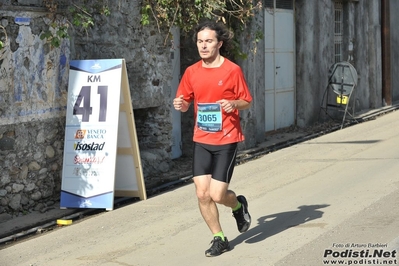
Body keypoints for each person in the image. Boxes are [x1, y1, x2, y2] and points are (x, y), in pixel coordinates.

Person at [173, 20, 253, 257]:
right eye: (200, 41)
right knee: (201, 193)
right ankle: (219, 238)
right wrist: (181, 104)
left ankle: (238, 205)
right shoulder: (191, 72)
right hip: (202, 139)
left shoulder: (232, 70)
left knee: (218, 195)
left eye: (208, 41)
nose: (203, 46)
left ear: (219, 43)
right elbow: (185, 101)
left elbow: (246, 101)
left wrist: (233, 103)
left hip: (226, 138)